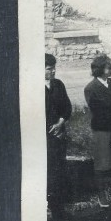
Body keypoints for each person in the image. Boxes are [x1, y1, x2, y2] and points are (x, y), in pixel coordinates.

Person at [83, 54, 111, 197]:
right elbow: (96, 110)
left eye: (110, 67)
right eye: (107, 67)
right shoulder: (91, 88)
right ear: (99, 69)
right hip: (102, 130)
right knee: (102, 164)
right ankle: (102, 195)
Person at [45, 54, 72, 209]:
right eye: (49, 69)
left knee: (59, 168)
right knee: (48, 169)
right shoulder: (34, 87)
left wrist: (60, 123)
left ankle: (58, 207)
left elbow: (67, 107)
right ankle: (48, 205)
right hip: (44, 136)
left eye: (54, 68)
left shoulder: (58, 85)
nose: (53, 71)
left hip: (59, 134)